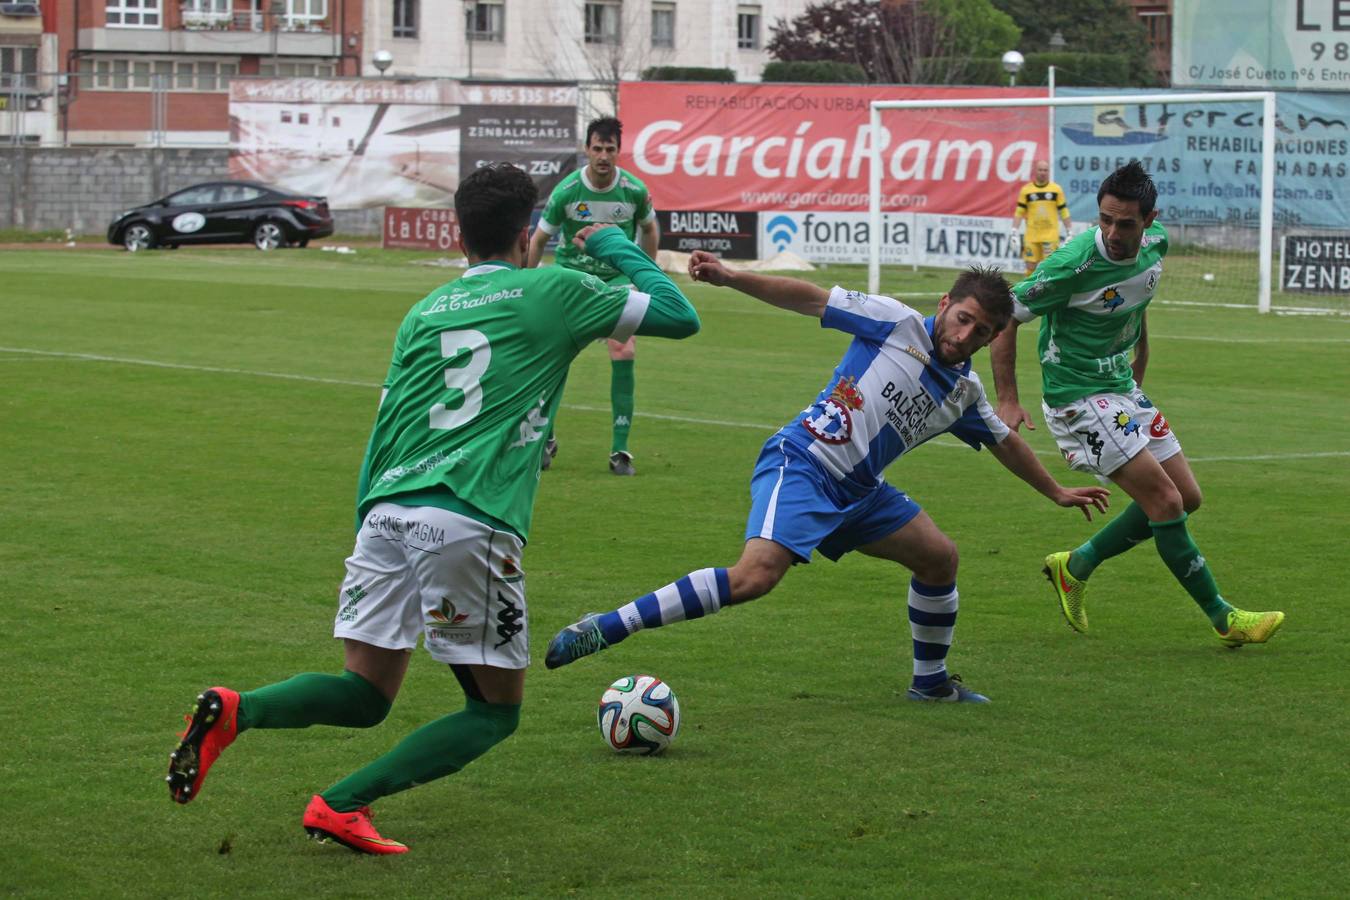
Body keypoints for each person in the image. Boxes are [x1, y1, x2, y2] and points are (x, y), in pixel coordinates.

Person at [164, 163, 700, 855]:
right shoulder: (557, 289)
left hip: (386, 511)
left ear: (460, 233)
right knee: (492, 714)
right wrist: (610, 245)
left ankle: (239, 710)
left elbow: (386, 426)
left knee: (365, 694)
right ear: (526, 231)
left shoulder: (427, 309)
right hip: (468, 518)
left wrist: (370, 519)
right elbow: (681, 315)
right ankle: (341, 804)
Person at [545, 257, 1111, 703]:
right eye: (963, 319)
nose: (965, 336)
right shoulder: (896, 322)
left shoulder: (964, 393)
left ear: (991, 340)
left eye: (982, 332)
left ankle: (931, 683)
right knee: (755, 578)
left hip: (861, 494)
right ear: (945, 304)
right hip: (804, 465)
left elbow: (1005, 443)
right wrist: (731, 276)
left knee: (939, 557)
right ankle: (608, 627)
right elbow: (811, 298)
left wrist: (1057, 491)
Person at [989, 160, 1284, 646]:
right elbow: (1005, 317)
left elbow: (1135, 302)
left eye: (1125, 222)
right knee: (1165, 501)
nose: (1113, 232)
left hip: (1121, 389)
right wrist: (1007, 398)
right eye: (1105, 219)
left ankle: (1076, 564)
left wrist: (1139, 362)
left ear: (1149, 220)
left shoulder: (1157, 244)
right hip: (1077, 397)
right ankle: (1225, 618)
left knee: (1187, 497)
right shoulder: (1072, 264)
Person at [528, 116, 660, 476]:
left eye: (610, 149)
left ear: (619, 151)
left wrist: (644, 274)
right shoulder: (567, 191)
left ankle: (620, 451)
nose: (603, 155)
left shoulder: (633, 190)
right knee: (554, 356)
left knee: (624, 348)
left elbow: (650, 229)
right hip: (572, 282)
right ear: (587, 149)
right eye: (597, 148)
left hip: (615, 283)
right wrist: (524, 280)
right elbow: (539, 239)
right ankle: (545, 437)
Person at [1012, 159, 1072, 276]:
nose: (1043, 172)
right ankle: (1027, 292)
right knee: (1030, 266)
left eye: (1045, 170)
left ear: (1048, 172)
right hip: (1032, 236)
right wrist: (1014, 231)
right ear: (1035, 171)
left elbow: (1063, 211)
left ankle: (1048, 292)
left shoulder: (1056, 189)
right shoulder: (1026, 190)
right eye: (1040, 170)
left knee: (1050, 266)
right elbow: (1019, 212)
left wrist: (1069, 231)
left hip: (1050, 236)